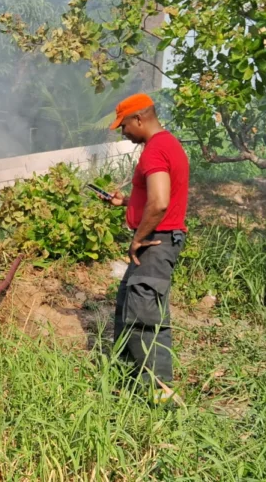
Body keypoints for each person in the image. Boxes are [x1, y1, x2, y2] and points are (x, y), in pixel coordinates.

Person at [100, 93, 189, 402]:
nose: (123, 133)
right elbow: (157, 195)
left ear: (139, 119)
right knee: (130, 308)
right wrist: (125, 202)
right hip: (159, 238)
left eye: (124, 126)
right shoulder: (167, 145)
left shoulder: (154, 150)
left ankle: (159, 393)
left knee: (142, 315)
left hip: (155, 241)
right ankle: (126, 383)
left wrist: (139, 237)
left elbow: (161, 201)